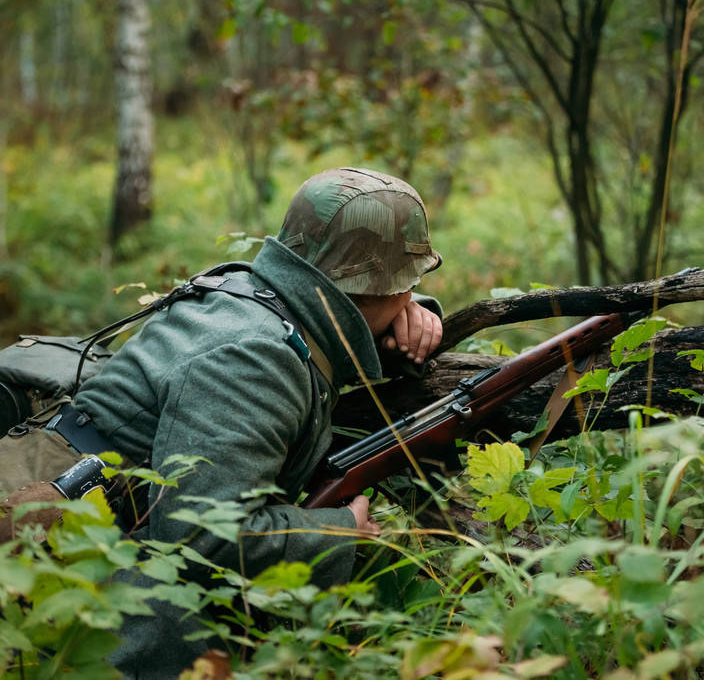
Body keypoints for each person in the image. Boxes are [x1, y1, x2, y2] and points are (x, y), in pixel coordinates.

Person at [73, 167, 443, 676]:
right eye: (408, 283)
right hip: (73, 558)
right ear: (378, 288)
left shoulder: (247, 292)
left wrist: (410, 313)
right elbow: (203, 537)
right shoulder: (257, 359)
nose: (411, 294)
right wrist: (340, 533)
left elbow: (333, 312)